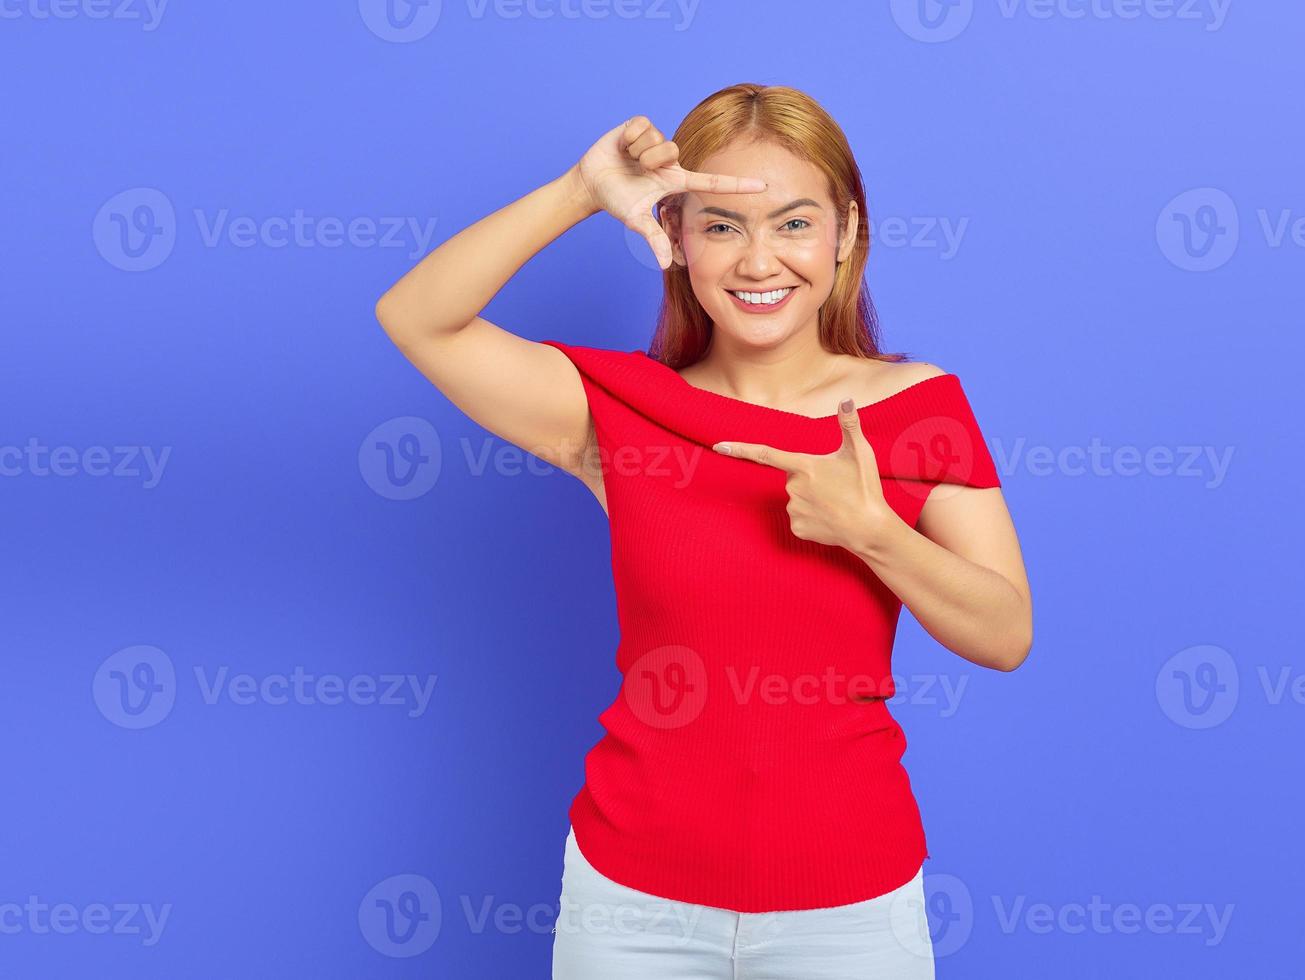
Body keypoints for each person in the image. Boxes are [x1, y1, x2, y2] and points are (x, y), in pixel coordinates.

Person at [374, 82, 1033, 979]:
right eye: (722, 226)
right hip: (631, 908)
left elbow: (1005, 633)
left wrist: (874, 531)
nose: (759, 260)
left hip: (849, 908)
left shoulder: (919, 408)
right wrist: (579, 189)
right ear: (676, 237)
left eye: (794, 224)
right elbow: (416, 317)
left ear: (846, 234)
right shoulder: (622, 411)